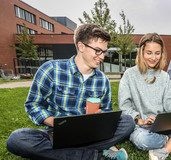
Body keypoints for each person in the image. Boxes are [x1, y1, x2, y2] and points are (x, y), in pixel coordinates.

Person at [6, 24, 135, 160]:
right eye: (98, 51)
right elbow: (33, 104)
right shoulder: (51, 69)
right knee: (17, 138)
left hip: (91, 133)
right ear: (81, 46)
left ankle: (68, 153)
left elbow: (107, 111)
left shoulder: (103, 80)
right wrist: (55, 123)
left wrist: (101, 116)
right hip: (56, 132)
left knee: (128, 122)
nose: (102, 57)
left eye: (104, 52)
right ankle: (96, 155)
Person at [118, 33, 171, 160]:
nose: (153, 57)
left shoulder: (164, 76)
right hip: (142, 127)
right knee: (142, 140)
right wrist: (140, 120)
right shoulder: (129, 75)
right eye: (149, 53)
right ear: (141, 52)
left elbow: (169, 102)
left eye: (157, 53)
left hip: (165, 124)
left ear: (162, 53)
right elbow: (124, 106)